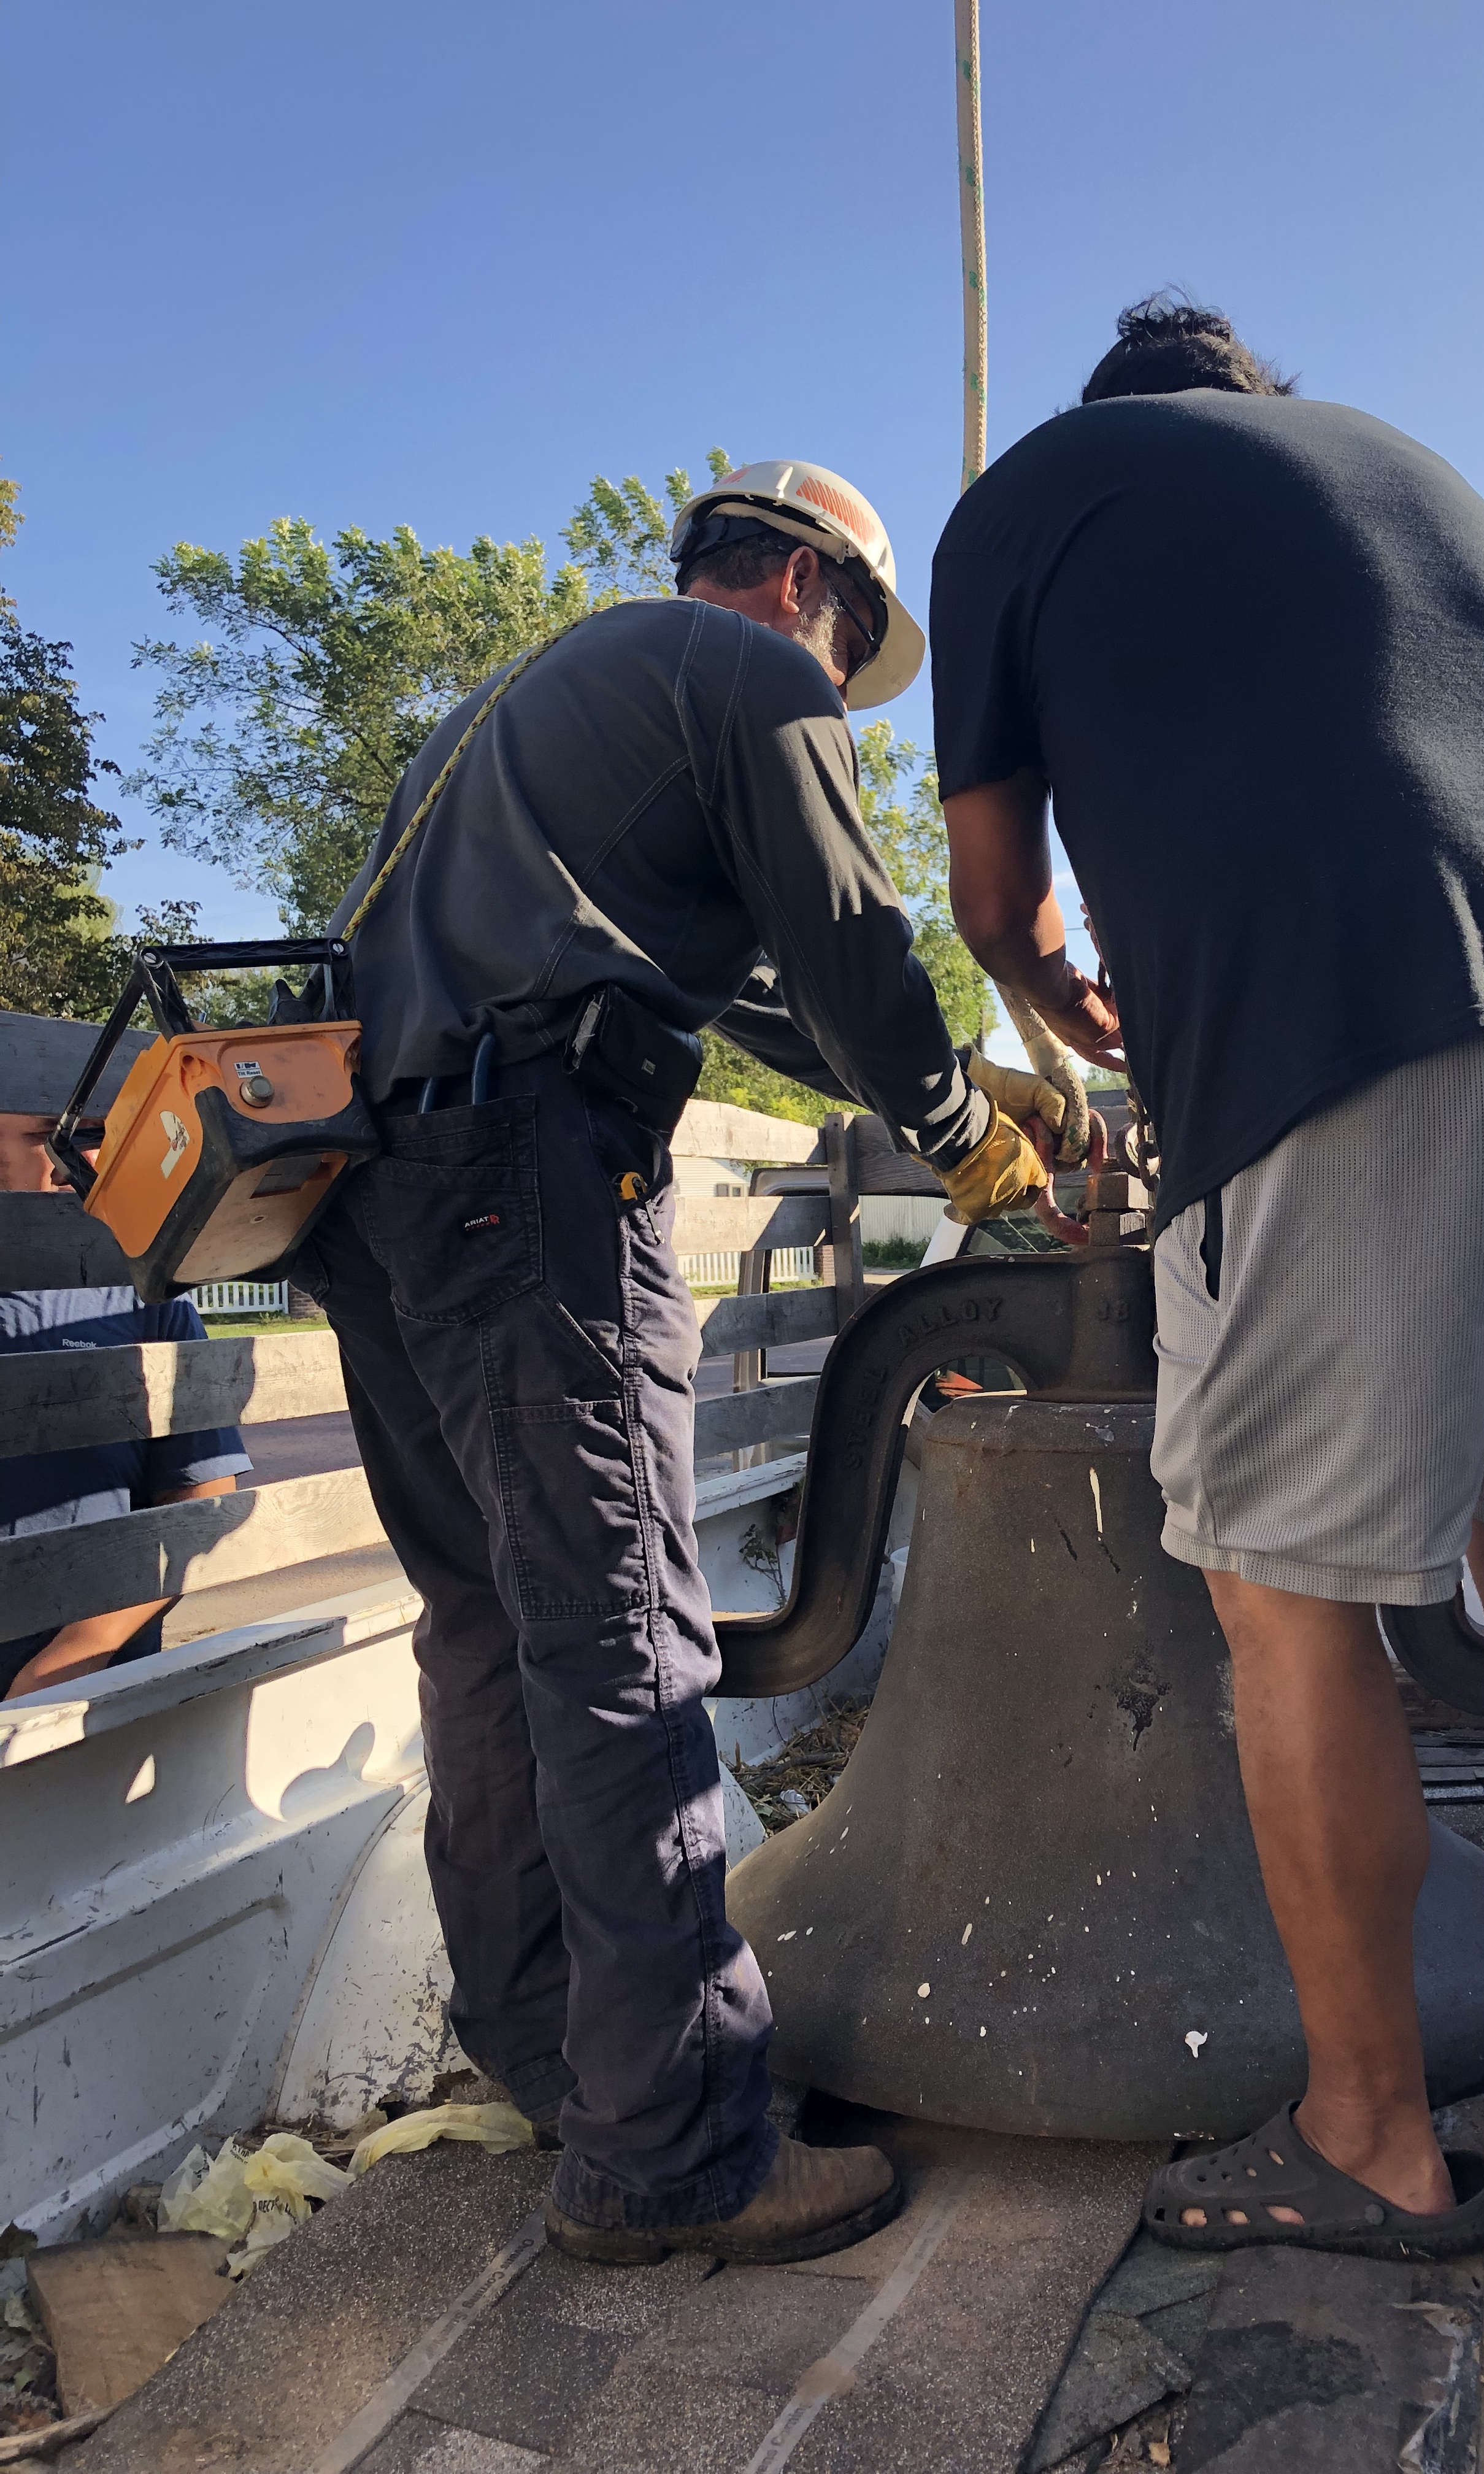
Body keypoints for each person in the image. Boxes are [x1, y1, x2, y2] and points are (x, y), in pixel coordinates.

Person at [931, 297, 1484, 2255]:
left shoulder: (1031, 495)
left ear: (1107, 412)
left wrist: (1068, 1000)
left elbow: (992, 896)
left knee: (1289, 1602)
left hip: (1360, 1015)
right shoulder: (1402, 465)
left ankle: (1371, 2140)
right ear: (1258, 400)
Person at [303, 460, 1063, 2268]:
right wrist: (968, 1136)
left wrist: (939, 1070)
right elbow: (854, 949)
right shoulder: (761, 680)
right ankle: (676, 2152)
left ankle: (565, 2060)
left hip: (375, 1187)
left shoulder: (540, 702)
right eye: (856, 637)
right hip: (537, 1181)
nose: (847, 673)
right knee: (624, 1639)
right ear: (808, 588)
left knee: (493, 1627)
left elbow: (774, 997)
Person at [0, 1106, 249, 1700]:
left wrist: (72, 1660)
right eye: (54, 1136)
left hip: (86, 1695)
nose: (87, 1157)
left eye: (96, 1135)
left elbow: (198, 1502)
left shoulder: (144, 1301)